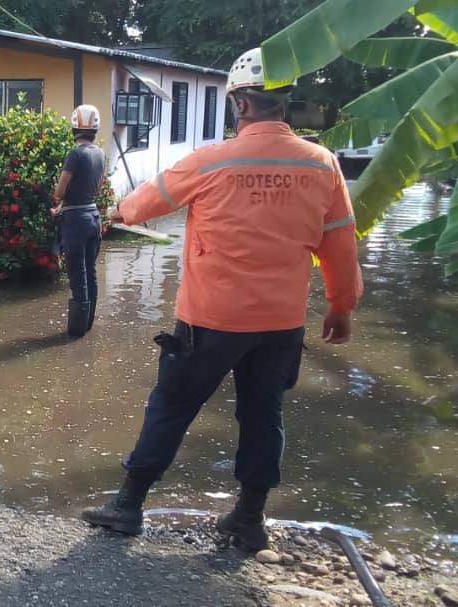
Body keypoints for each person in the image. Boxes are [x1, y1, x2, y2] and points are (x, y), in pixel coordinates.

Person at [82, 48, 364, 551]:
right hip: (281, 326)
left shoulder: (211, 160)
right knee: (264, 416)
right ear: (284, 102)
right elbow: (340, 245)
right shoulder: (323, 165)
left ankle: (127, 506)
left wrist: (118, 213)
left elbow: (144, 203)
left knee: (170, 406)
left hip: (210, 321)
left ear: (239, 105)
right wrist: (342, 306)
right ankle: (248, 519)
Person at [51, 105, 107, 337]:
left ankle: (76, 333)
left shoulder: (75, 154)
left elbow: (60, 190)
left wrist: (58, 202)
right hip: (93, 216)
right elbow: (96, 186)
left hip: (76, 221)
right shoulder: (100, 153)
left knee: (77, 274)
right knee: (90, 270)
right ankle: (88, 326)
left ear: (74, 127)